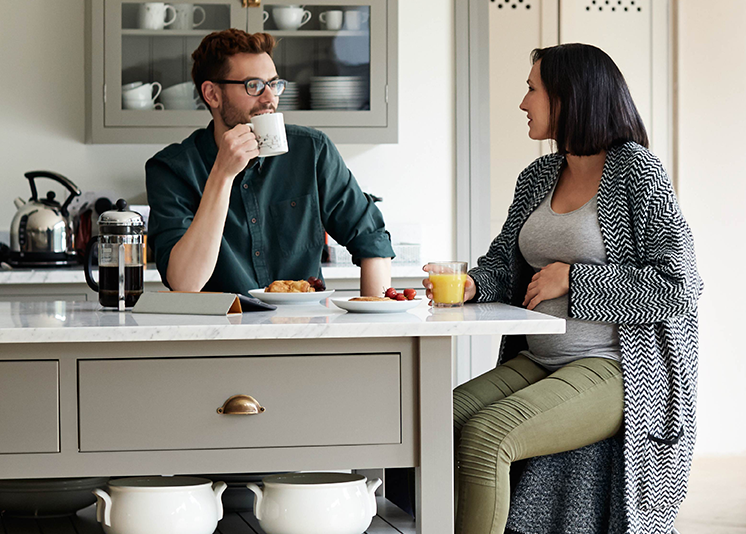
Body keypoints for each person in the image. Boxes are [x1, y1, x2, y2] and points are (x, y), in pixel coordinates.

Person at [422, 43, 702, 534]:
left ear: (570, 97)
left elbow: (679, 284)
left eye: (533, 89)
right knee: (431, 424)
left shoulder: (637, 171)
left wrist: (575, 279)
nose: (523, 102)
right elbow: (502, 263)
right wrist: (470, 285)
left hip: (618, 369)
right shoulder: (537, 176)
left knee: (487, 437)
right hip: (538, 359)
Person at [146, 29, 393, 295]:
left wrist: (373, 319)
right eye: (254, 86)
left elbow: (372, 240)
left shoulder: (312, 151)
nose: (270, 98)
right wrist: (222, 174)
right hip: (220, 331)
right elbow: (184, 284)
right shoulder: (172, 169)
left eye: (274, 84)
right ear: (212, 94)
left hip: (304, 328)